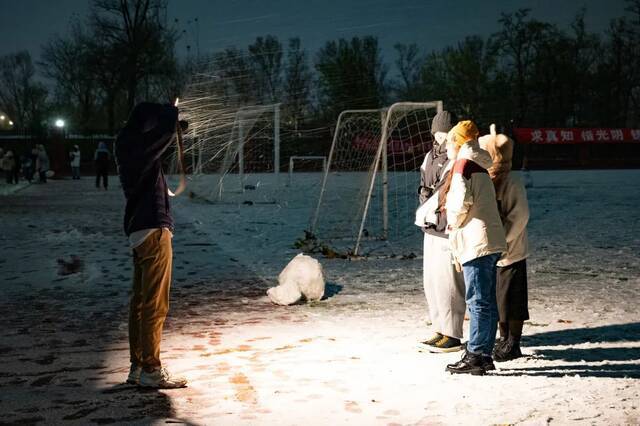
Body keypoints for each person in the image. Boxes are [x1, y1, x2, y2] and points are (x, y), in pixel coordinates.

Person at [115, 102, 188, 389]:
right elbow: (163, 128)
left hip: (139, 230)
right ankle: (151, 369)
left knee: (140, 303)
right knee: (155, 305)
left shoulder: (129, 144)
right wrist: (171, 112)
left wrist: (173, 128)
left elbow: (162, 135)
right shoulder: (138, 146)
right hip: (153, 231)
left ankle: (138, 365)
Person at [440, 120, 507, 375]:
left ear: (458, 143)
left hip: (476, 242)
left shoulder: (463, 166)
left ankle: (477, 354)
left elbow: (458, 205)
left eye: (449, 143)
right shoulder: (480, 164)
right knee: (486, 300)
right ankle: (483, 352)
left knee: (478, 300)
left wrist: (450, 220)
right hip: (489, 241)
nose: (447, 148)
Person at [415, 111, 466, 353]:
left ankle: (453, 333)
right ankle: (439, 328)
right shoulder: (429, 156)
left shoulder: (457, 156)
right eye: (437, 131)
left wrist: (432, 207)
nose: (440, 136)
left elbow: (449, 189)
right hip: (430, 227)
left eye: (445, 131)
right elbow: (424, 184)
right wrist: (424, 201)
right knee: (432, 281)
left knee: (449, 283)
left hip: (446, 228)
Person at [479, 125, 530, 362]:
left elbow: (519, 216)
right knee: (498, 299)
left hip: (511, 251)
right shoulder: (487, 178)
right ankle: (503, 338)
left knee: (513, 300)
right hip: (492, 251)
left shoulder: (512, 181)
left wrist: (503, 241)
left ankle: (513, 342)